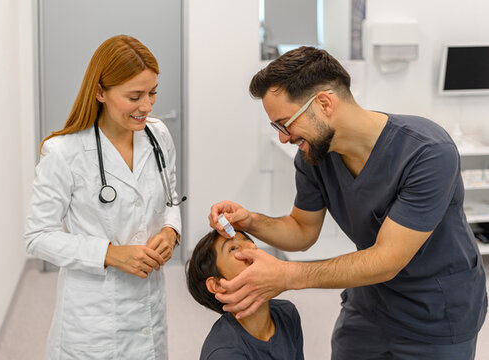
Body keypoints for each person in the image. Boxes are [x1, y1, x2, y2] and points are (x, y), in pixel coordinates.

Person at [208, 46, 487, 359]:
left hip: (437, 316)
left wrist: (288, 276)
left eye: (285, 123)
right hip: (368, 306)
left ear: (325, 103)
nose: (283, 138)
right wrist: (251, 221)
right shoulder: (315, 156)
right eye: (277, 127)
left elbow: (387, 260)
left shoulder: (427, 152)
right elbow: (301, 230)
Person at [24, 34, 183, 359]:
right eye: (134, 96)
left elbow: (171, 199)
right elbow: (38, 237)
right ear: (100, 92)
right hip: (92, 317)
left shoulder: (158, 136)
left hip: (149, 304)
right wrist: (110, 254)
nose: (147, 106)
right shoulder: (63, 152)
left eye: (152, 93)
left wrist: (171, 232)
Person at [187, 229, 304, 359]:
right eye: (232, 248)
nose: (252, 246)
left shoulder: (287, 313)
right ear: (218, 285)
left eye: (249, 242)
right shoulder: (224, 353)